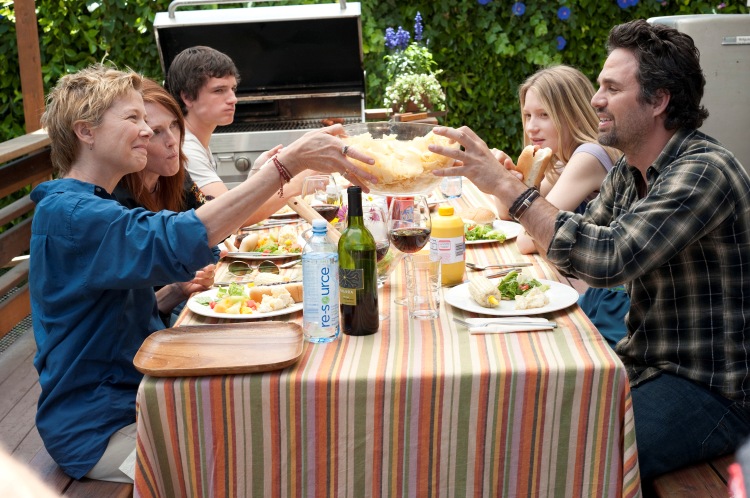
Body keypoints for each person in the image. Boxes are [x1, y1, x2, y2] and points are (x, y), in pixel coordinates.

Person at [429, 19, 750, 480]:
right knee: (526, 414)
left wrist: (507, 187)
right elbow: (574, 240)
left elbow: (608, 257)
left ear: (658, 101)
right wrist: (519, 190)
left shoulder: (703, 171)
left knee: (572, 452)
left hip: (711, 389)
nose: (596, 99)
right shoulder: (631, 168)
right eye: (599, 85)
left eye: (611, 87)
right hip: (644, 361)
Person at [30, 63, 374, 483]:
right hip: (104, 429)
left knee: (282, 415)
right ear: (86, 132)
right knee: (274, 452)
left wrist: (173, 293)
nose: (147, 130)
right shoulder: (76, 214)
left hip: (134, 401)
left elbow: (104, 311)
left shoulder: (84, 206)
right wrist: (284, 167)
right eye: (133, 118)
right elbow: (178, 238)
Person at [493, 65, 628, 348]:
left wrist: (508, 188)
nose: (531, 127)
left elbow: (527, 238)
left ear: (572, 114)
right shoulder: (559, 160)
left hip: (611, 306)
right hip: (588, 290)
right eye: (528, 115)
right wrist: (504, 179)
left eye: (544, 115)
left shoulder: (589, 155)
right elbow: (511, 215)